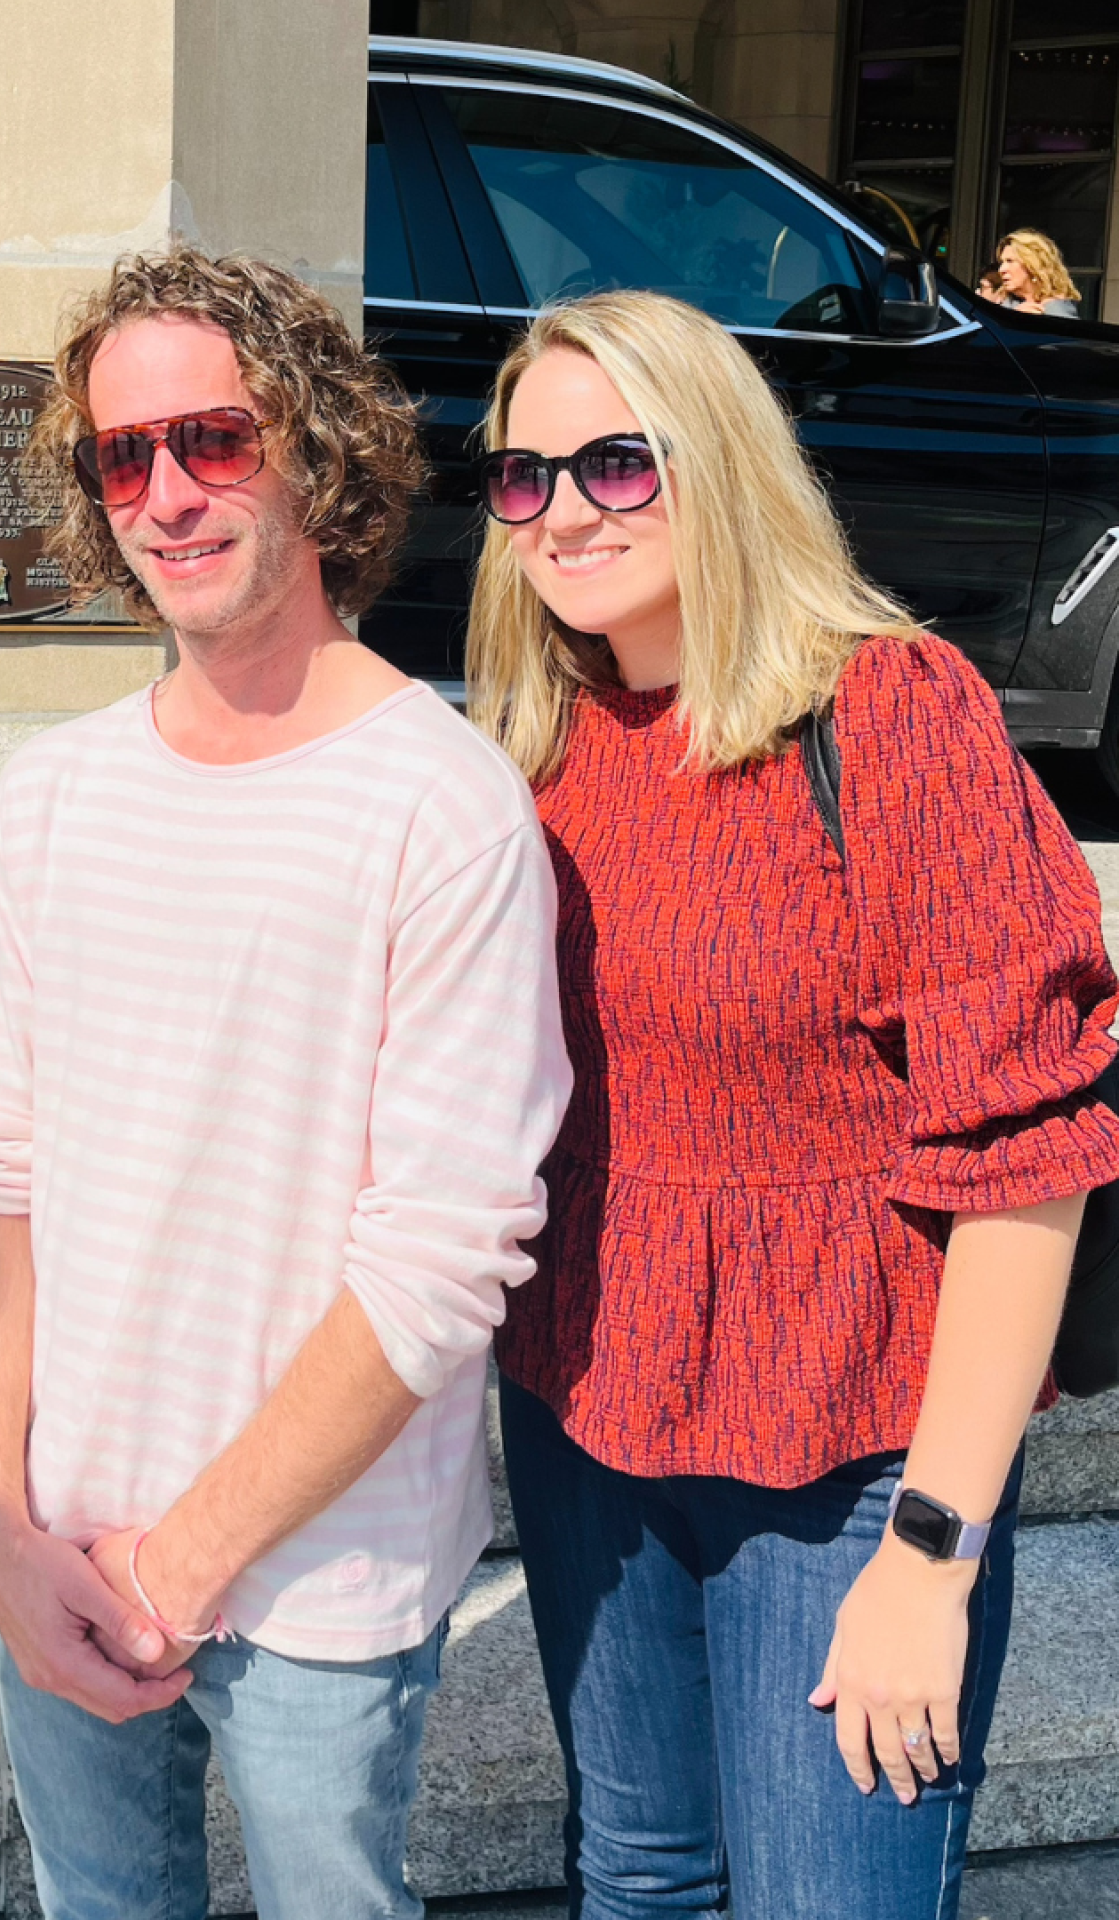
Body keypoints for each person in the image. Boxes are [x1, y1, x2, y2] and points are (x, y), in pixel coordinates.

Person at [0, 245, 570, 1920]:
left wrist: (186, 1557)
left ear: (316, 447)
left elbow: (440, 1253)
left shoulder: (445, 806)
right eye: (120, 456)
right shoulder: (53, 794)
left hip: (325, 1580)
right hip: (62, 1542)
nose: (167, 494)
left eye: (213, 439)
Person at [466, 289, 1119, 1919]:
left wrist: (932, 1550)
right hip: (586, 1426)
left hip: (852, 1466)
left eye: (616, 463)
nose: (563, 511)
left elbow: (1026, 1162)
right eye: (524, 475)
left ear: (722, 460)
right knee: (638, 1883)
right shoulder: (522, 747)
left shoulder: (898, 721)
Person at [985, 228, 1081, 315]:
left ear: (1033, 265)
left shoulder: (1056, 309)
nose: (1001, 270)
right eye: (1002, 262)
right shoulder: (1002, 303)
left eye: (1010, 261)